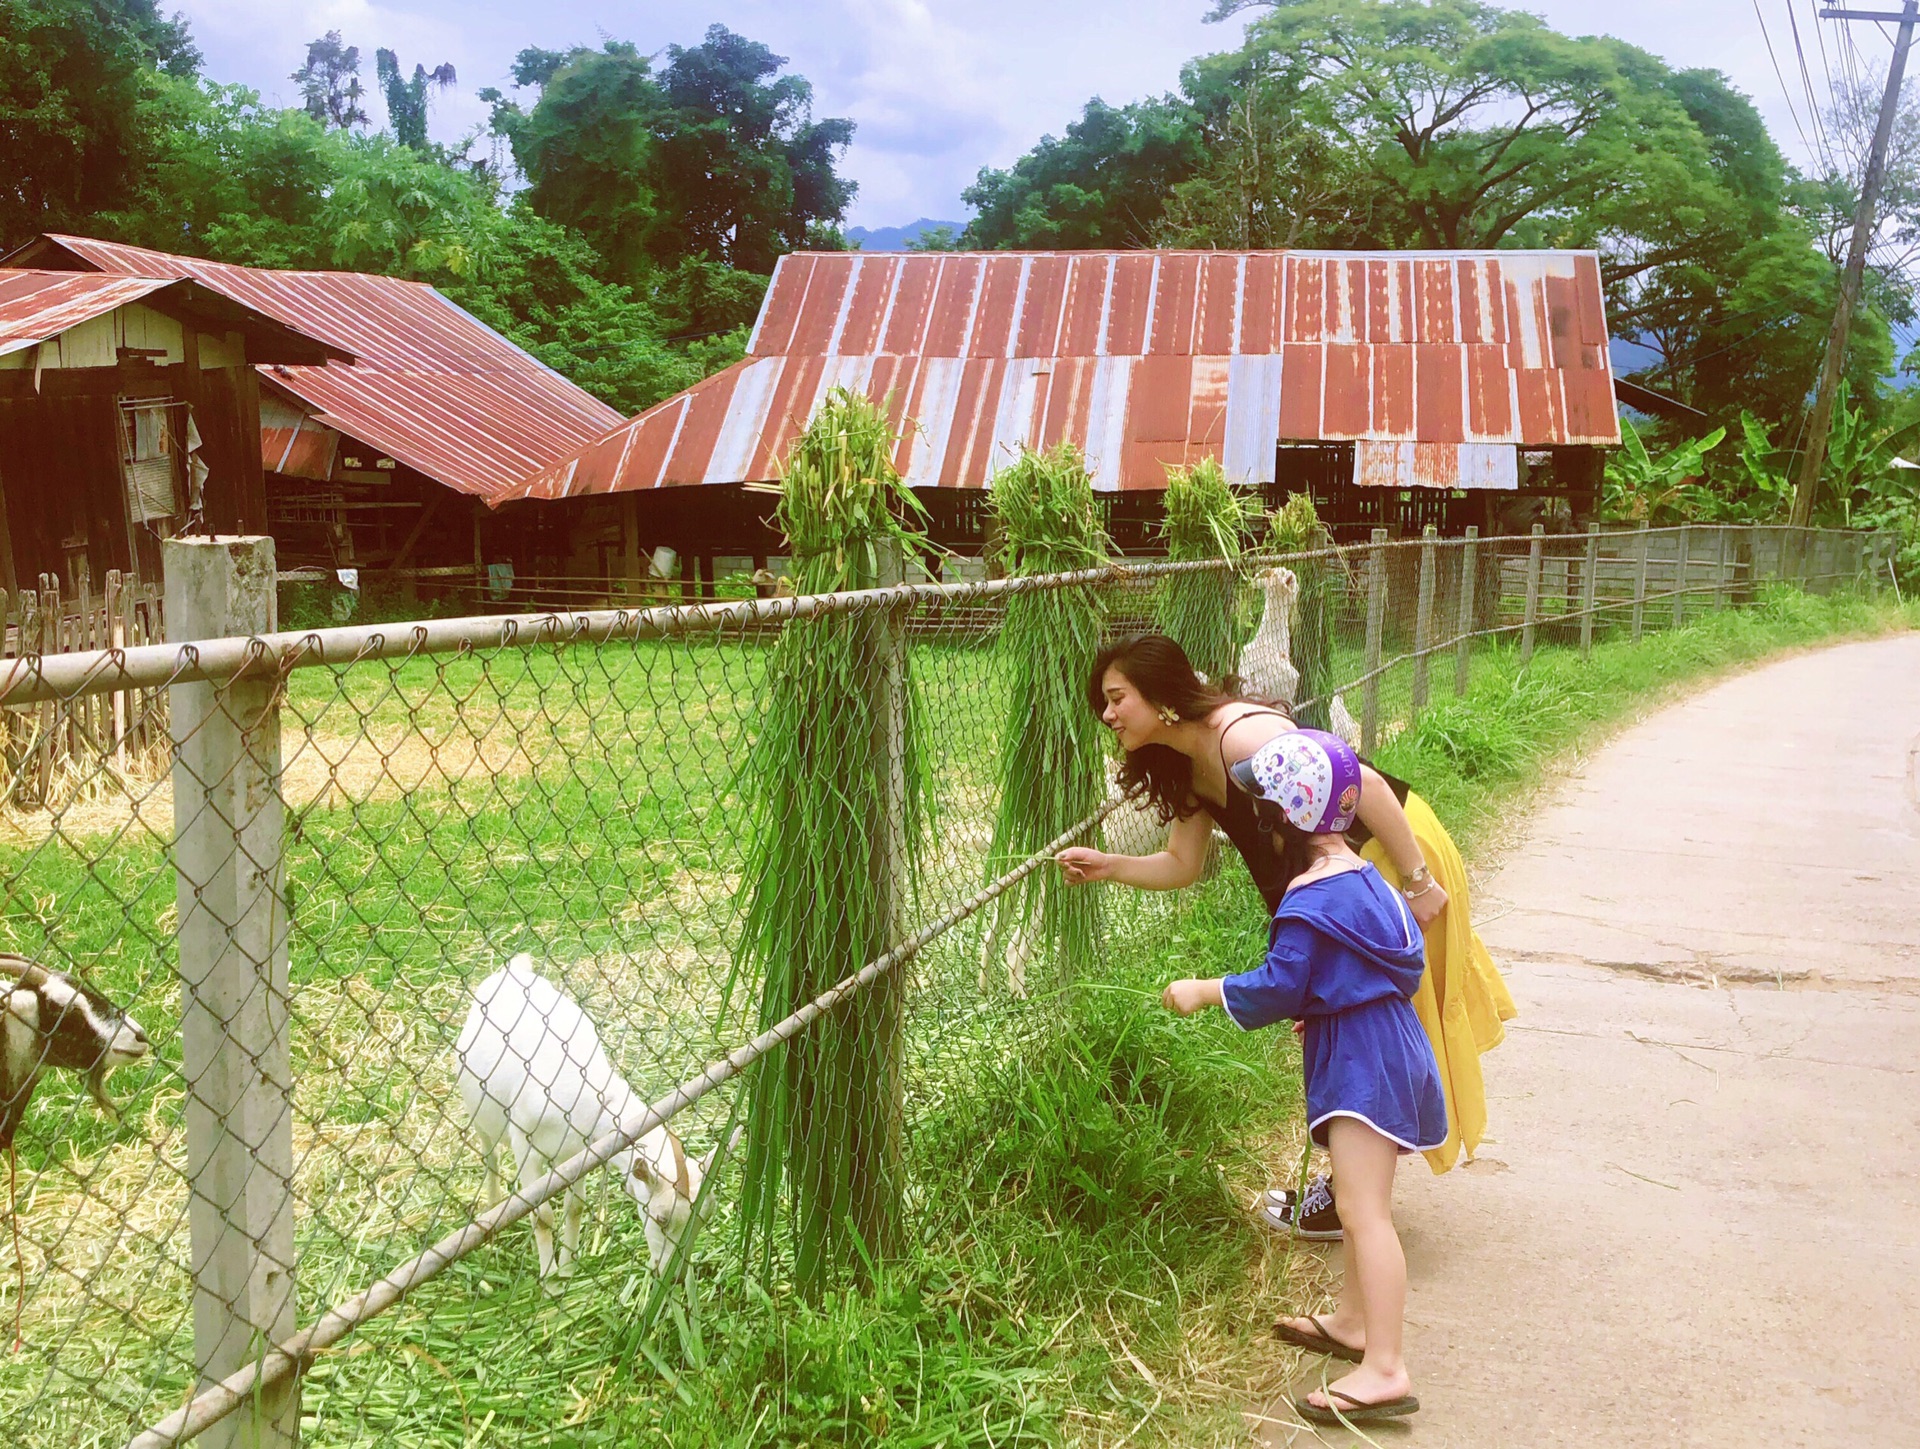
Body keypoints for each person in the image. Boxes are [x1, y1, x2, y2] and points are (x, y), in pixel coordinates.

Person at [1056, 633, 1514, 1237]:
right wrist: (1109, 866)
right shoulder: (1183, 761)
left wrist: (1419, 881)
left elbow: (1368, 789)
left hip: (1387, 854)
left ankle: (1355, 1205)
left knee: (1381, 1026)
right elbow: (1181, 866)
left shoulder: (1240, 738)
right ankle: (1354, 1200)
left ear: (1161, 695)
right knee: (1351, 1030)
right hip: (1343, 886)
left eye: (1117, 699)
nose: (1107, 715)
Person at [1164, 728, 1440, 1425]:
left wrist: (1206, 987)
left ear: (1284, 816)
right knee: (1357, 1201)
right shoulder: (1364, 876)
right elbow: (1397, 958)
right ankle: (1353, 1322)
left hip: (1361, 1065)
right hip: (1390, 1044)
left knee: (1365, 1214)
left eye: (1264, 804)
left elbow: (1279, 986)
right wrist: (1331, 998)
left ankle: (1384, 1366)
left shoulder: (1306, 902)